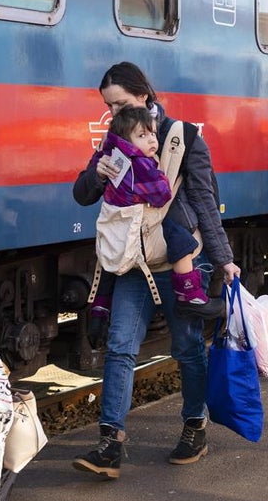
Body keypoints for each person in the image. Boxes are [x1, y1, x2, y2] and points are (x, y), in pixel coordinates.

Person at [71, 62, 239, 478]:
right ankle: (109, 444)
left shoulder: (185, 138)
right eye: (108, 107)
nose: (113, 113)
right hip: (132, 262)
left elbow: (204, 201)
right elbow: (81, 194)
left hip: (175, 261)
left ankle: (195, 427)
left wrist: (223, 258)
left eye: (121, 103)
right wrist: (97, 173)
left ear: (144, 96)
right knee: (120, 347)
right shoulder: (115, 139)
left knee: (186, 348)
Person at [86, 105, 222, 320]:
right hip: (138, 219)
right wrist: (162, 175)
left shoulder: (113, 156)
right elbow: (161, 194)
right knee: (182, 240)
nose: (151, 140)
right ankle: (188, 290)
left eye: (152, 134)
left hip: (115, 220)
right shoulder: (139, 164)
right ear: (125, 141)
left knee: (110, 257)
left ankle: (101, 305)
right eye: (142, 135)